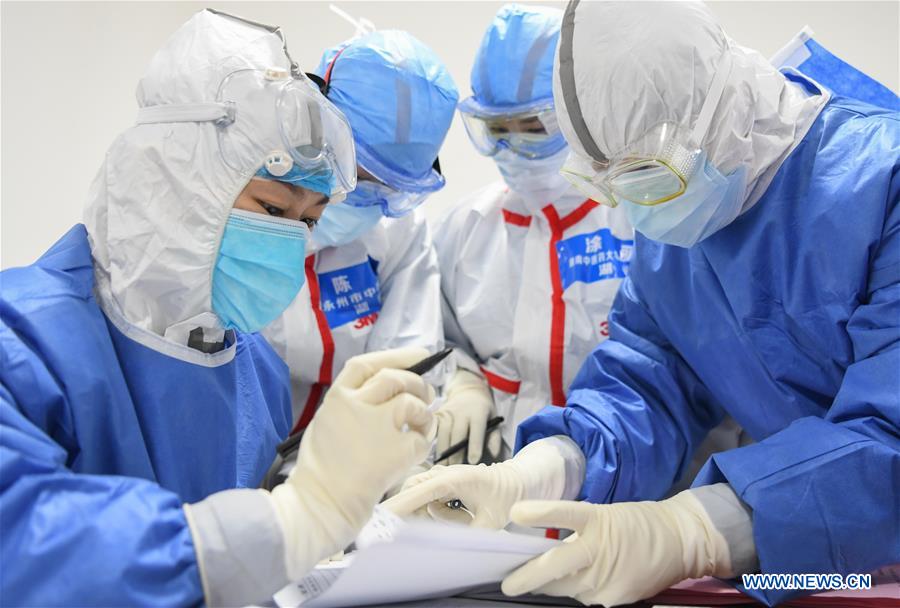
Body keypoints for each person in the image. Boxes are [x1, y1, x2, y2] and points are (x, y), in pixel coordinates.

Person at [386, 1, 900, 606]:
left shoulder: (880, 182)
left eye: (645, 176)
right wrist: (550, 464)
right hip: (789, 567)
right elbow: (646, 381)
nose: (632, 213)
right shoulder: (678, 230)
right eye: (606, 185)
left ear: (722, 113)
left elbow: (887, 434)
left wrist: (694, 529)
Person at [0, 10, 435, 606]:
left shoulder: (254, 368)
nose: (293, 244)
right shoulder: (20, 344)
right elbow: (22, 539)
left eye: (309, 222)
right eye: (275, 211)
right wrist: (293, 520)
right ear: (179, 181)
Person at [431, 3, 634, 470]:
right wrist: (461, 381)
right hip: (496, 494)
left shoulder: (641, 222)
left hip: (626, 488)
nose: (514, 148)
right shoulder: (466, 228)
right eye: (498, 129)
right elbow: (434, 335)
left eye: (534, 128)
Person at [263, 29, 458, 435]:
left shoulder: (397, 231)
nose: (359, 196)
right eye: (354, 173)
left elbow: (408, 361)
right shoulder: (252, 210)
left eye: (385, 187)